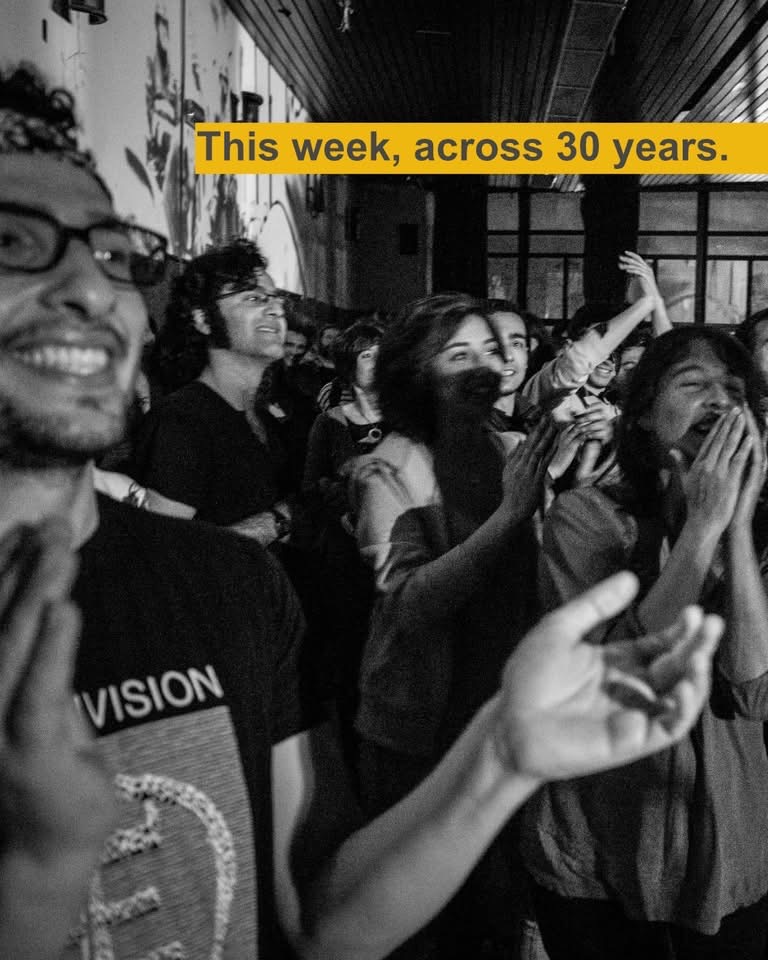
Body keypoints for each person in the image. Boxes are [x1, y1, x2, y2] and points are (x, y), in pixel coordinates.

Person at [0, 65, 722, 960]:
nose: (88, 288)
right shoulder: (363, 465)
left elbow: (324, 915)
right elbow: (405, 595)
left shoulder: (229, 583)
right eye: (14, 240)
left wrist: (501, 756)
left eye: (111, 253)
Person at [528, 327, 768, 960]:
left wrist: (738, 526)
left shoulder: (758, 529)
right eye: (693, 384)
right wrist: (702, 527)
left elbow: (751, 689)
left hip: (723, 834)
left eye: (734, 389)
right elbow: (624, 675)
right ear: (640, 417)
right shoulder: (585, 518)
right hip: (606, 836)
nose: (719, 401)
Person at [130, 238, 294, 545]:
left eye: (276, 299)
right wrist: (279, 521)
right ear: (204, 319)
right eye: (254, 298)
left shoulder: (262, 417)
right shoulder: (182, 423)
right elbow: (162, 552)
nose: (275, 309)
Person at [302, 320, 386, 757]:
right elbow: (310, 485)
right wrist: (339, 500)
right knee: (353, 649)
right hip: (346, 553)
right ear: (349, 365)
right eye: (368, 355)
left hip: (396, 548)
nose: (379, 362)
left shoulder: (405, 419)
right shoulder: (330, 423)